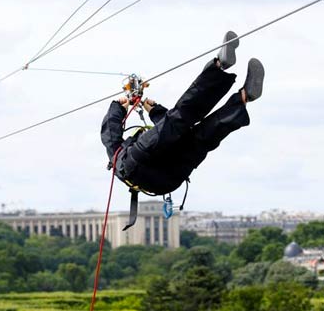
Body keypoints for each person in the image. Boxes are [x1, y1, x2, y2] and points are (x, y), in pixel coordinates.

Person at [101, 31, 265, 200]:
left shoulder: (125, 160)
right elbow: (110, 136)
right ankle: (219, 66)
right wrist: (119, 107)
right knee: (179, 119)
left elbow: (170, 134)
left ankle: (244, 97)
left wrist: (151, 111)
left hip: (168, 181)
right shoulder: (119, 156)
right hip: (138, 165)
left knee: (201, 139)